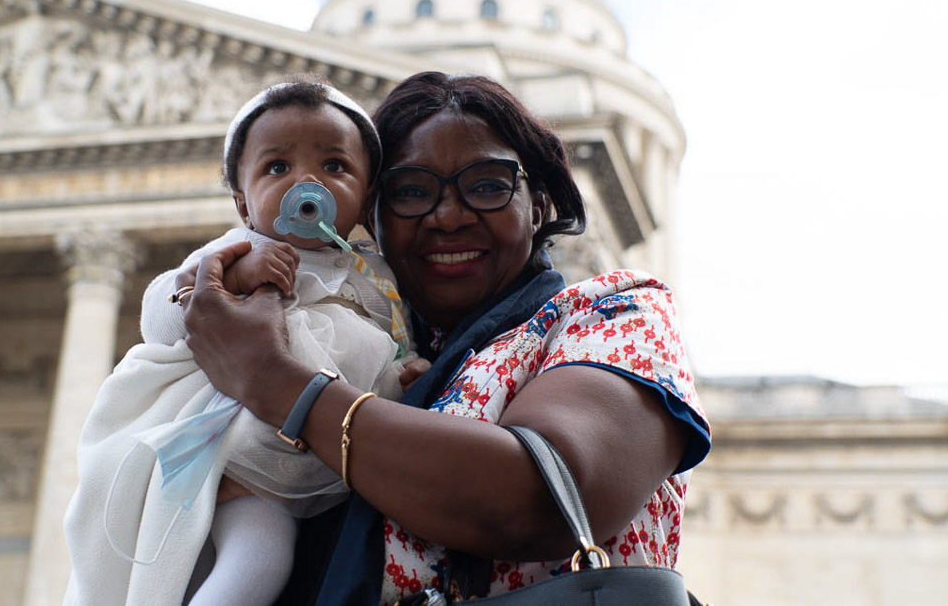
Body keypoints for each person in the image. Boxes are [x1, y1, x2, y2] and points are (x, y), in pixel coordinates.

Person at [175, 71, 711, 604]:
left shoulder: (615, 312)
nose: (448, 216)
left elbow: (541, 496)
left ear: (539, 203)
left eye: (487, 185)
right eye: (410, 192)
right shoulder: (363, 339)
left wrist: (275, 382)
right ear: (370, 215)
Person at [63, 81, 423, 606]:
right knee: (230, 564)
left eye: (334, 166)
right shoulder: (235, 252)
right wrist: (229, 280)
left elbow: (382, 351)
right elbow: (161, 322)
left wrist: (407, 372)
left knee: (262, 564)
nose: (306, 180)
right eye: (277, 167)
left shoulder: (374, 279)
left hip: (298, 461)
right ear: (242, 202)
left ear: (367, 198)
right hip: (226, 450)